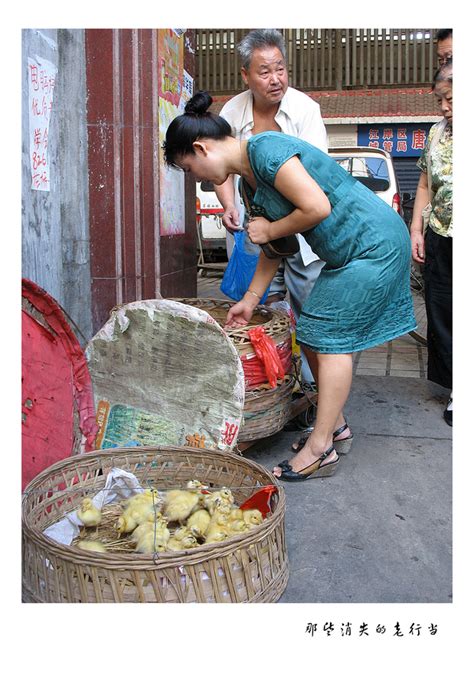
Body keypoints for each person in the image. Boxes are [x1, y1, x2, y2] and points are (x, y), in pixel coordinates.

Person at [163, 91, 416, 481]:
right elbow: (275, 247)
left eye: (188, 167)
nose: (194, 177)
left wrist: (268, 227)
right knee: (313, 333)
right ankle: (335, 426)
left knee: (326, 335)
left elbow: (316, 207)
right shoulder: (249, 182)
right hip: (348, 252)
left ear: (201, 148)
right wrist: (249, 300)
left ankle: (321, 448)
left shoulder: (265, 150)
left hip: (373, 244)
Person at [214, 29, 328, 390]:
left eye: (280, 68)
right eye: (264, 71)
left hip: (302, 224)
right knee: (264, 304)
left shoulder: (306, 110)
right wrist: (229, 203)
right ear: (245, 75)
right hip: (253, 227)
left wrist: (277, 225)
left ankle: (314, 391)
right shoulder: (232, 111)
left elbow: (316, 173)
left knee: (309, 310)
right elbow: (220, 164)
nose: (275, 78)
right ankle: (274, 382)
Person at [410, 60, 453, 425]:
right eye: (440, 100)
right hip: (441, 234)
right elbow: (424, 184)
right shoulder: (437, 133)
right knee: (442, 312)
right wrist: (416, 230)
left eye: (451, 99)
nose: (444, 108)